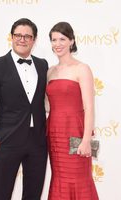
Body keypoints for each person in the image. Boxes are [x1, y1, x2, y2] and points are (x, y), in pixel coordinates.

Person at [0, 18, 48, 200]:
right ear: (11, 37)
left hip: (37, 141)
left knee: (33, 194)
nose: (22, 39)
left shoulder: (42, 65)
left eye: (27, 36)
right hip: (8, 140)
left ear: (34, 40)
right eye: (18, 35)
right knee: (2, 194)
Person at [46, 22, 99, 199]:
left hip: (76, 132)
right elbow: (47, 105)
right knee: (59, 177)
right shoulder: (50, 71)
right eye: (54, 39)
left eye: (62, 39)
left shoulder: (82, 68)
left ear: (71, 41)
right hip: (54, 134)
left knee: (78, 178)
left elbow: (89, 108)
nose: (57, 44)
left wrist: (86, 140)